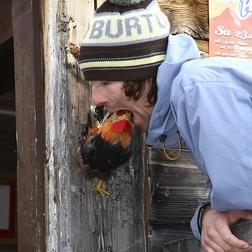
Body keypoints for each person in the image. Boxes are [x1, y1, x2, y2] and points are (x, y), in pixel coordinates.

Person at [79, 0, 252, 251]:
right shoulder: (190, 100)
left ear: (144, 76)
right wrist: (207, 215)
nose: (96, 99)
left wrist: (219, 210)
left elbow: (243, 196)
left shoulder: (196, 87)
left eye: (105, 82)